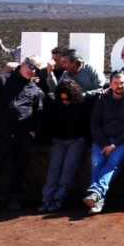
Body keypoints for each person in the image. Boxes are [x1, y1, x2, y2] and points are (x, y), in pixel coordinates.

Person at [0, 56, 46, 220]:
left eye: (35, 69)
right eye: (30, 66)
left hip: (23, 135)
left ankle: (14, 198)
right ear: (23, 63)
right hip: (1, 132)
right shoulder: (1, 81)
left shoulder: (35, 90)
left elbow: (38, 112)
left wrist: (33, 132)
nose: (32, 70)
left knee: (19, 167)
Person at [83, 71, 124, 214]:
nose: (119, 86)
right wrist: (104, 143)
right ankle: (97, 200)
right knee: (97, 163)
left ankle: (95, 192)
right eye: (116, 83)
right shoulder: (102, 98)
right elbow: (95, 123)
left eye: (122, 83)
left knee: (113, 163)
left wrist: (114, 144)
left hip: (123, 141)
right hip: (102, 140)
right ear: (110, 84)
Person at [39, 80, 92, 212]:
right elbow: (48, 123)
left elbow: (87, 125)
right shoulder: (54, 104)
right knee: (53, 170)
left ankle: (59, 199)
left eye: (68, 99)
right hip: (59, 140)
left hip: (76, 140)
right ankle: (46, 200)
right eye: (62, 99)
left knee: (68, 170)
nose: (65, 102)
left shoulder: (82, 105)